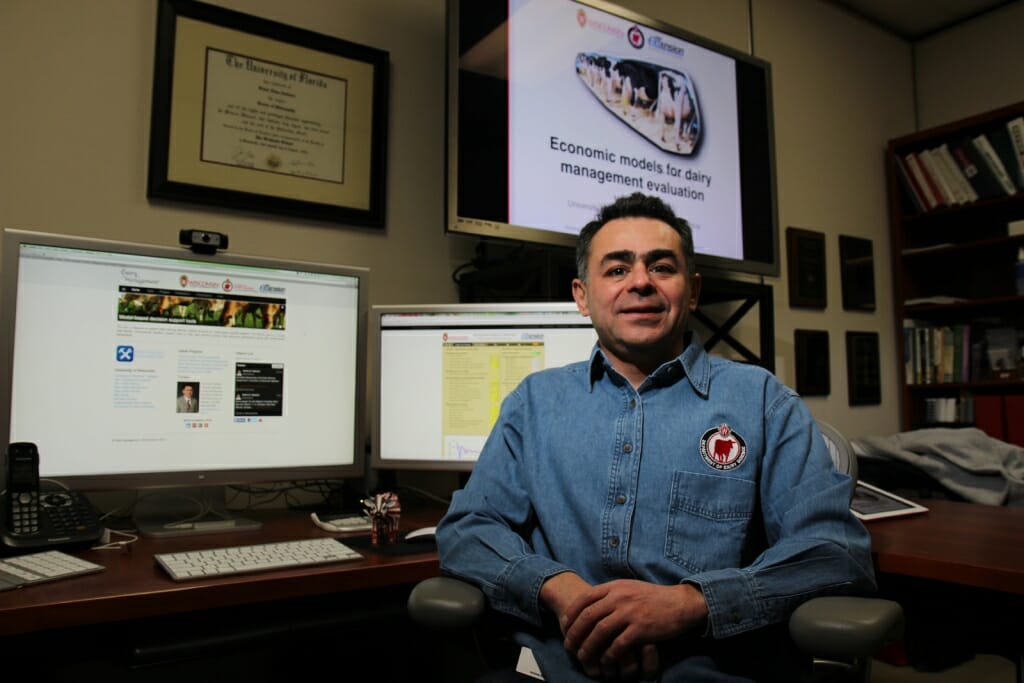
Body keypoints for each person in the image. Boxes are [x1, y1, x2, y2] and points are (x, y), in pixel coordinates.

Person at [435, 192, 876, 682]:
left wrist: (690, 604)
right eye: (617, 269)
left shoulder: (764, 402)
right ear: (582, 295)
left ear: (692, 291)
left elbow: (835, 550)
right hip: (551, 670)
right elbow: (467, 530)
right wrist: (562, 593)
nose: (640, 282)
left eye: (661, 267)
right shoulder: (533, 403)